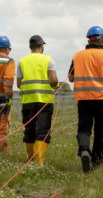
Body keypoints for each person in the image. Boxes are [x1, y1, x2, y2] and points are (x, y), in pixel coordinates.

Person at [68, 25, 103, 173]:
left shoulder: (78, 56)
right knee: (101, 131)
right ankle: (97, 163)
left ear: (89, 40)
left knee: (84, 127)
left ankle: (84, 150)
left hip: (84, 99)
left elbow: (71, 77)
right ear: (102, 40)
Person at [17, 35, 59, 165]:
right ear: (41, 46)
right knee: (42, 130)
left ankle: (30, 159)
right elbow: (53, 80)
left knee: (29, 129)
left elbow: (19, 84)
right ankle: (39, 162)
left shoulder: (22, 61)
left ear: (30, 47)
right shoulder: (48, 59)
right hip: (45, 101)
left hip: (28, 100)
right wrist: (56, 86)